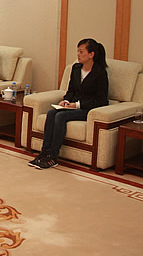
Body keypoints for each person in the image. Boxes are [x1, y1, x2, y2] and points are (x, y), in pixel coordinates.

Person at [29, 38, 109, 170]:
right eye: (77, 51)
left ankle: (53, 156)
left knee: (60, 116)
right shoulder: (76, 68)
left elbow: (101, 100)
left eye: (81, 52)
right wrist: (66, 101)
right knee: (51, 113)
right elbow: (71, 90)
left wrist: (77, 105)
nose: (78, 54)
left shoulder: (100, 73)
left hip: (87, 109)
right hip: (72, 105)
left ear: (91, 54)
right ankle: (44, 152)